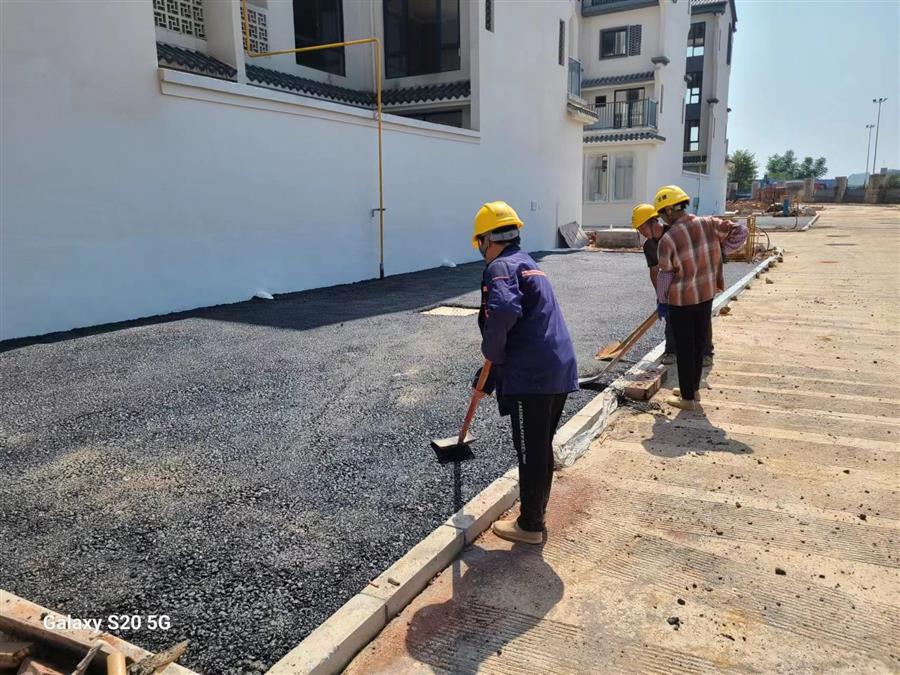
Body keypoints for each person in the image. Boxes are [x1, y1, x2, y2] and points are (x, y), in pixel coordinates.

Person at [472, 200, 578, 545]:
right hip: (556, 367)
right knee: (540, 446)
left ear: (488, 239)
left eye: (480, 245)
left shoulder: (500, 267)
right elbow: (526, 324)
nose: (481, 252)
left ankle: (531, 525)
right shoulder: (530, 264)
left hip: (532, 376)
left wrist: (491, 352)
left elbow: (503, 312)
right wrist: (489, 372)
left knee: (531, 451)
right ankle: (537, 515)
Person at [653, 186, 747, 411]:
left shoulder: (668, 239)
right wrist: (721, 251)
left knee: (685, 349)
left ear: (667, 211)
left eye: (661, 215)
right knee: (698, 344)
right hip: (705, 295)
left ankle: (687, 400)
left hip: (682, 301)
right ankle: (692, 390)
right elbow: (741, 231)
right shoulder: (709, 223)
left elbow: (665, 274)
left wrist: (661, 300)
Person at [634, 202, 716, 367]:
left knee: (700, 318)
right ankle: (671, 351)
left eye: (643, 228)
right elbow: (654, 271)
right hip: (672, 287)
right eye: (639, 230)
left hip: (693, 281)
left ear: (653, 222)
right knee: (671, 318)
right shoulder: (649, 245)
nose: (642, 233)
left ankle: (706, 353)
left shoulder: (676, 233)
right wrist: (661, 296)